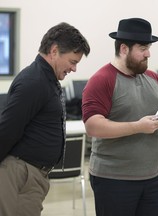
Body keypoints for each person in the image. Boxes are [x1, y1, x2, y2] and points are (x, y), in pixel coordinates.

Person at [82, 17, 158, 216]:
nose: (148, 53)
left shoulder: (153, 78)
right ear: (123, 49)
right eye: (143, 48)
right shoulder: (101, 80)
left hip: (153, 178)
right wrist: (137, 126)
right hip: (113, 179)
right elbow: (93, 126)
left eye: (149, 47)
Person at [0, 22, 90, 216]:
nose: (74, 69)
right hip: (21, 175)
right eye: (73, 62)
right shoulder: (34, 82)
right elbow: (7, 130)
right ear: (54, 50)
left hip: (30, 176)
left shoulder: (46, 79)